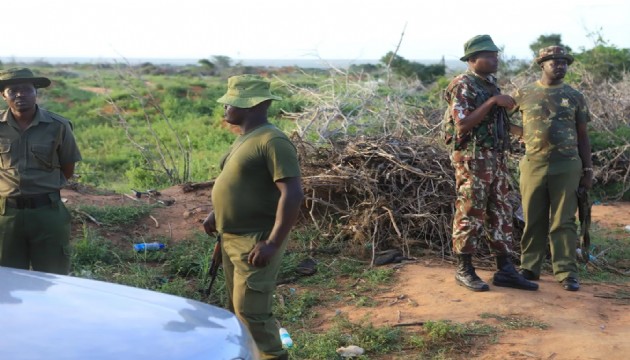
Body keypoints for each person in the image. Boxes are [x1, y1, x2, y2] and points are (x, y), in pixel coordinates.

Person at [203, 75, 303, 360]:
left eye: (231, 103)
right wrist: (216, 213)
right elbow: (241, 182)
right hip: (232, 238)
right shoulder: (247, 138)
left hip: (255, 240)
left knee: (252, 313)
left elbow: (293, 194)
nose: (225, 109)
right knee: (237, 311)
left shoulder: (273, 141)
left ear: (249, 106)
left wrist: (272, 243)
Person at [443, 35, 538, 292]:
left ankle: (505, 269)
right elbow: (462, 123)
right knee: (470, 210)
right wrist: (493, 102)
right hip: (473, 158)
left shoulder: (490, 85)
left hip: (494, 158)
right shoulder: (463, 84)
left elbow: (500, 125)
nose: (496, 59)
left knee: (501, 210)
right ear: (472, 60)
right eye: (489, 55)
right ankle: (464, 269)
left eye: (496, 54)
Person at [512, 46, 593, 291]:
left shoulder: (575, 95)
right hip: (533, 164)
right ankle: (530, 267)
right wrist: (522, 134)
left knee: (564, 220)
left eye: (564, 62)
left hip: (567, 164)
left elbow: (583, 135)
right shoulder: (524, 93)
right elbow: (500, 118)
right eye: (554, 62)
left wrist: (587, 170)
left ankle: (566, 271)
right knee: (533, 217)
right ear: (542, 65)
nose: (560, 66)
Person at [0, 68, 82, 275]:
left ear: (36, 92)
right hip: (6, 215)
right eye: (13, 90)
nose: (20, 94)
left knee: (52, 277)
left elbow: (67, 167)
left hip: (47, 213)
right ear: (3, 95)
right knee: (7, 281)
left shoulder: (58, 126)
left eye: (26, 89)